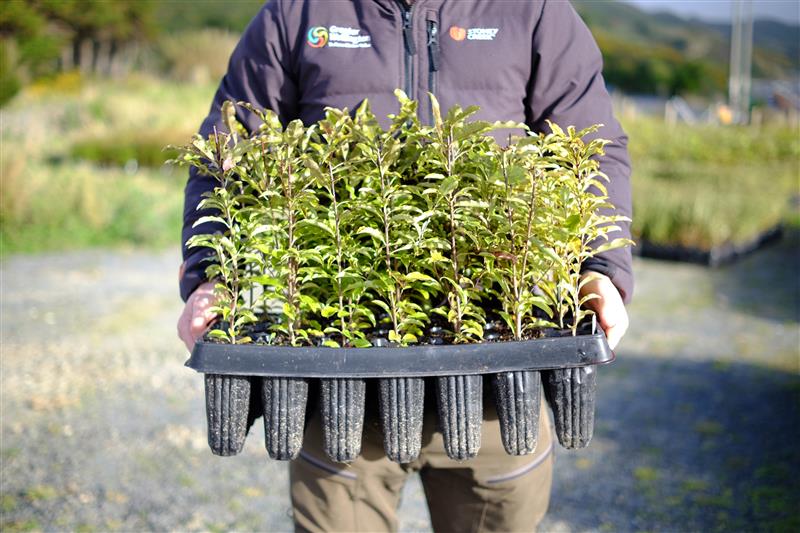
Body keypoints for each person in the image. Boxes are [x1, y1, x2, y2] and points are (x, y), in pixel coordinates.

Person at [177, 1, 632, 531]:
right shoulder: (298, 11)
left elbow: (595, 149)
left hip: (499, 372)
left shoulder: (531, 10)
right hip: (340, 373)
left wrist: (601, 267)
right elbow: (225, 152)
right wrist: (211, 274)